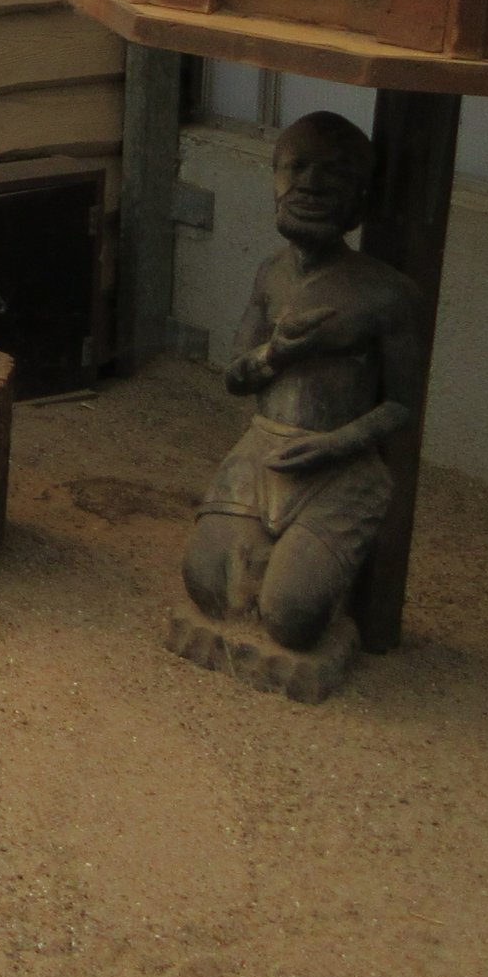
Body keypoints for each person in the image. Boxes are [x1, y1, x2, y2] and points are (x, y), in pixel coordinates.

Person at [182, 111, 424, 654]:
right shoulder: (271, 274)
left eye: (333, 173)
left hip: (339, 469)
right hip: (261, 454)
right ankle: (271, 553)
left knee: (291, 619)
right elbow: (236, 377)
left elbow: (402, 404)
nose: (310, 185)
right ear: (275, 180)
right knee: (207, 586)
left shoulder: (388, 294)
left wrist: (336, 444)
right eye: (297, 167)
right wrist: (274, 354)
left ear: (360, 198)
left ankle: (298, 570)